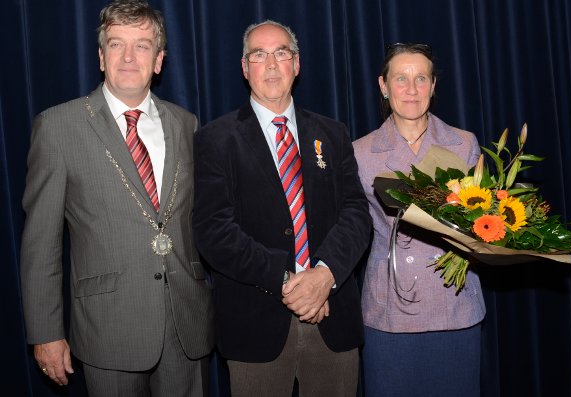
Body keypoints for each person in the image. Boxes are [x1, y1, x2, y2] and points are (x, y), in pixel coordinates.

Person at [20, 1, 213, 396]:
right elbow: (41, 242)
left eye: (142, 46)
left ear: (158, 60)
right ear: (101, 57)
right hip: (108, 329)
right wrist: (46, 333)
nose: (128, 57)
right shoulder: (58, 127)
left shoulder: (186, 124)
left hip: (186, 325)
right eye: (116, 44)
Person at [193, 20, 371, 397]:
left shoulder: (333, 133)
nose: (271, 64)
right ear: (245, 68)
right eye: (259, 54)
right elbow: (213, 230)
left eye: (281, 53)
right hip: (254, 326)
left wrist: (324, 276)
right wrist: (288, 281)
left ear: (297, 64)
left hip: (332, 317)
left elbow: (356, 213)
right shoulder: (214, 139)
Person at [352, 43, 486, 396]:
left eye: (421, 78)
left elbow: (485, 220)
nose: (411, 90)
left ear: (433, 86)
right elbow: (350, 228)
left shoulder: (463, 143)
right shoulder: (360, 152)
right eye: (401, 78)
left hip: (454, 305)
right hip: (390, 310)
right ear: (383, 86)